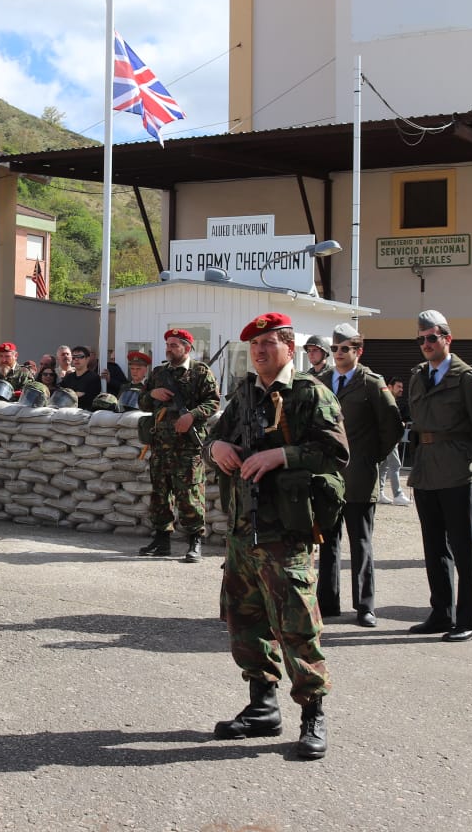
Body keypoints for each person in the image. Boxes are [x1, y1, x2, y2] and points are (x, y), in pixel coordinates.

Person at [205, 311, 346, 760]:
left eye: (269, 343)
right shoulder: (246, 393)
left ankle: (313, 715)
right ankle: (262, 706)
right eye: (255, 346)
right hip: (244, 529)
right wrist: (216, 447)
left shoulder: (309, 393)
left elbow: (336, 452)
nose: (261, 352)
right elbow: (217, 435)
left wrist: (282, 455)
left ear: (289, 346)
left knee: (296, 623)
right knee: (245, 619)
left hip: (286, 529)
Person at [405, 310, 472, 643]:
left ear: (448, 339)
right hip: (426, 470)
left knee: (463, 548)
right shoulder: (419, 377)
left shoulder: (467, 378)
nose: (426, 344)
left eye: (432, 338)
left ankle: (469, 619)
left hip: (458, 472)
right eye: (421, 339)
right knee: (434, 548)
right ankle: (441, 613)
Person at [318, 323, 403, 628]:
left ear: (358, 351)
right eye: (335, 349)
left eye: (344, 349)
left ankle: (364, 605)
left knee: (360, 542)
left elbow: (392, 426)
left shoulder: (371, 383)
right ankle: (327, 602)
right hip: (328, 476)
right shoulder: (322, 380)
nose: (338, 354)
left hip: (359, 474)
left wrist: (371, 458)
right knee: (327, 540)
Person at [137, 329, 220, 561]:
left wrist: (192, 415)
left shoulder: (200, 372)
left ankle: (195, 541)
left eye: (174, 345)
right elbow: (141, 402)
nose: (169, 348)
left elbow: (214, 401)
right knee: (160, 494)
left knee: (190, 493)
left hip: (187, 447)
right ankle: (162, 539)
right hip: (160, 445)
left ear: (187, 348)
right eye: (168, 344)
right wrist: (152, 393)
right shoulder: (159, 373)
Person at [379, 378, 411, 505]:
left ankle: (380, 492)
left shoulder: (392, 401)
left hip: (390, 438)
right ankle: (397, 494)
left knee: (384, 466)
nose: (401, 390)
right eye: (398, 386)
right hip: (389, 438)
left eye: (402, 387)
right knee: (395, 465)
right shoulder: (386, 401)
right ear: (390, 387)